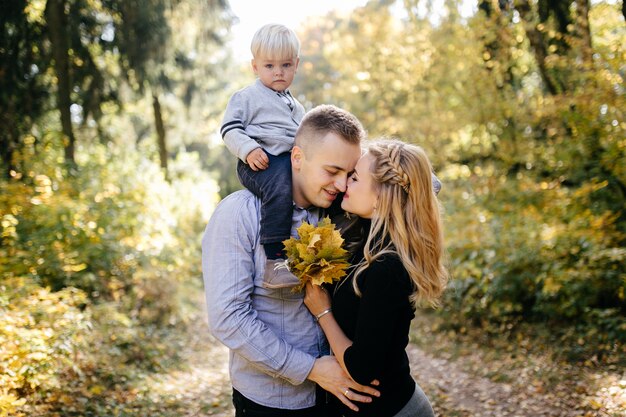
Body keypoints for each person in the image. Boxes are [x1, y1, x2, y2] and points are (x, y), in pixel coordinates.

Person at [203, 105, 382, 417]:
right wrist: (311, 369)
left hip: (337, 398)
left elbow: (410, 189)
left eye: (349, 174)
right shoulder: (239, 214)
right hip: (274, 401)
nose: (341, 185)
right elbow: (228, 318)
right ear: (297, 158)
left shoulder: (340, 212)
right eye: (332, 171)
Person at [304, 139, 448, 417]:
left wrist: (322, 310)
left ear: (382, 196)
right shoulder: (366, 232)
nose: (344, 184)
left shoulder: (388, 265)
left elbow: (361, 369)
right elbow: (427, 183)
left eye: (354, 178)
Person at [220, 23, 305, 270]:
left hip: (287, 160)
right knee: (280, 184)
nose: (278, 72)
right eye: (269, 66)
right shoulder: (246, 97)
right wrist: (248, 149)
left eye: (286, 65)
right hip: (259, 160)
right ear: (255, 66)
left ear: (296, 65)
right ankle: (275, 259)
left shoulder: (297, 107)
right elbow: (230, 129)